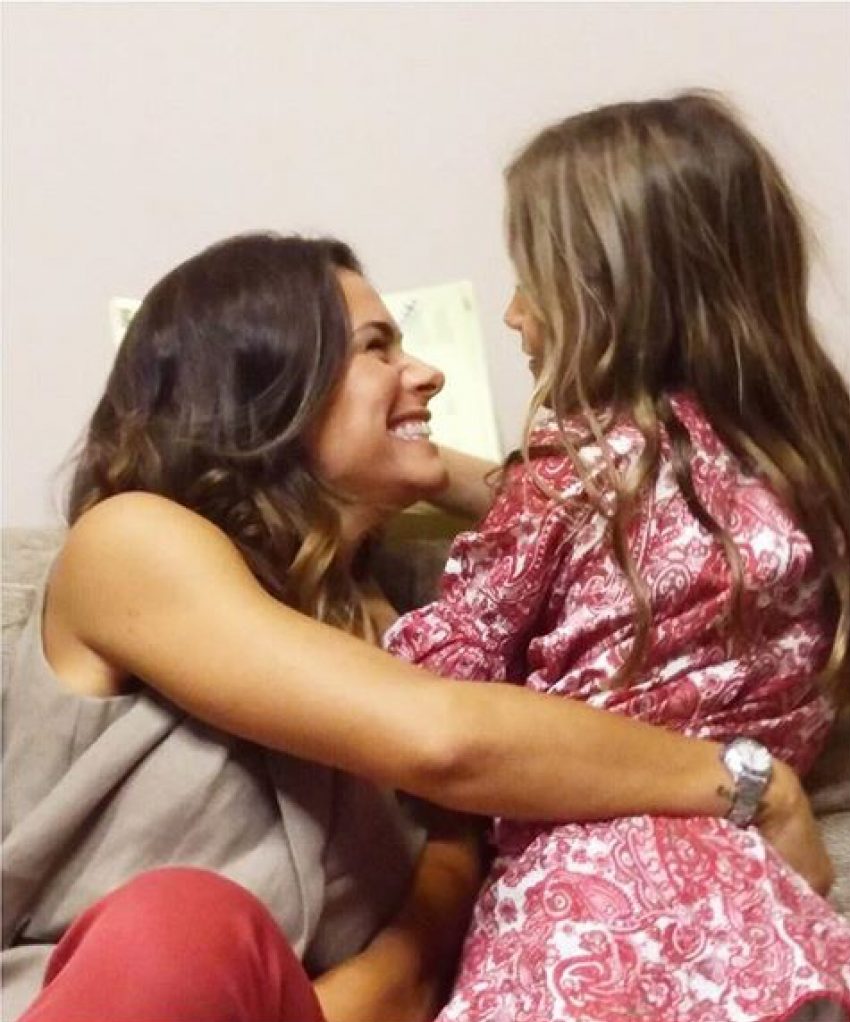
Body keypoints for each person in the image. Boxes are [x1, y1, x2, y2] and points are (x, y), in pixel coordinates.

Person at [0, 232, 831, 1022]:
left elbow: (410, 974)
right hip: (96, 993)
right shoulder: (133, 545)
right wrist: (746, 781)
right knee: (182, 923)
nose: (428, 375)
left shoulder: (411, 639)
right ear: (266, 388)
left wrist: (420, 465)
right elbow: (445, 743)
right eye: (378, 349)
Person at [386, 91, 850, 1022]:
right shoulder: (808, 466)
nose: (513, 314)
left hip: (592, 894)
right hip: (762, 904)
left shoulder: (573, 471)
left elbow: (438, 688)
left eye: (531, 282)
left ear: (608, 297)